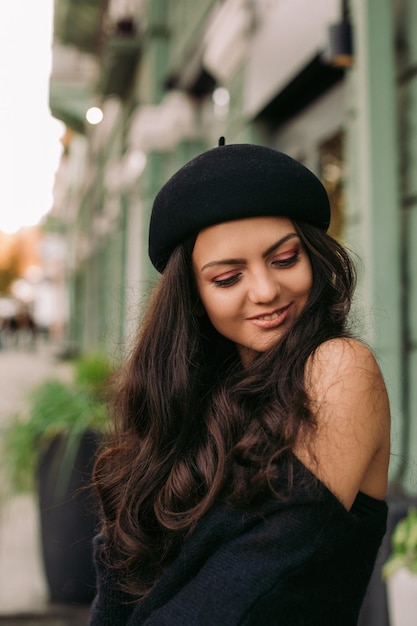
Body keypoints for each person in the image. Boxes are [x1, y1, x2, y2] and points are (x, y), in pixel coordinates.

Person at [89, 141, 390, 626]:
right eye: (228, 278)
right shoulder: (184, 405)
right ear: (193, 296)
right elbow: (120, 583)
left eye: (285, 259)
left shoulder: (339, 368)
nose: (267, 290)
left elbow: (244, 591)